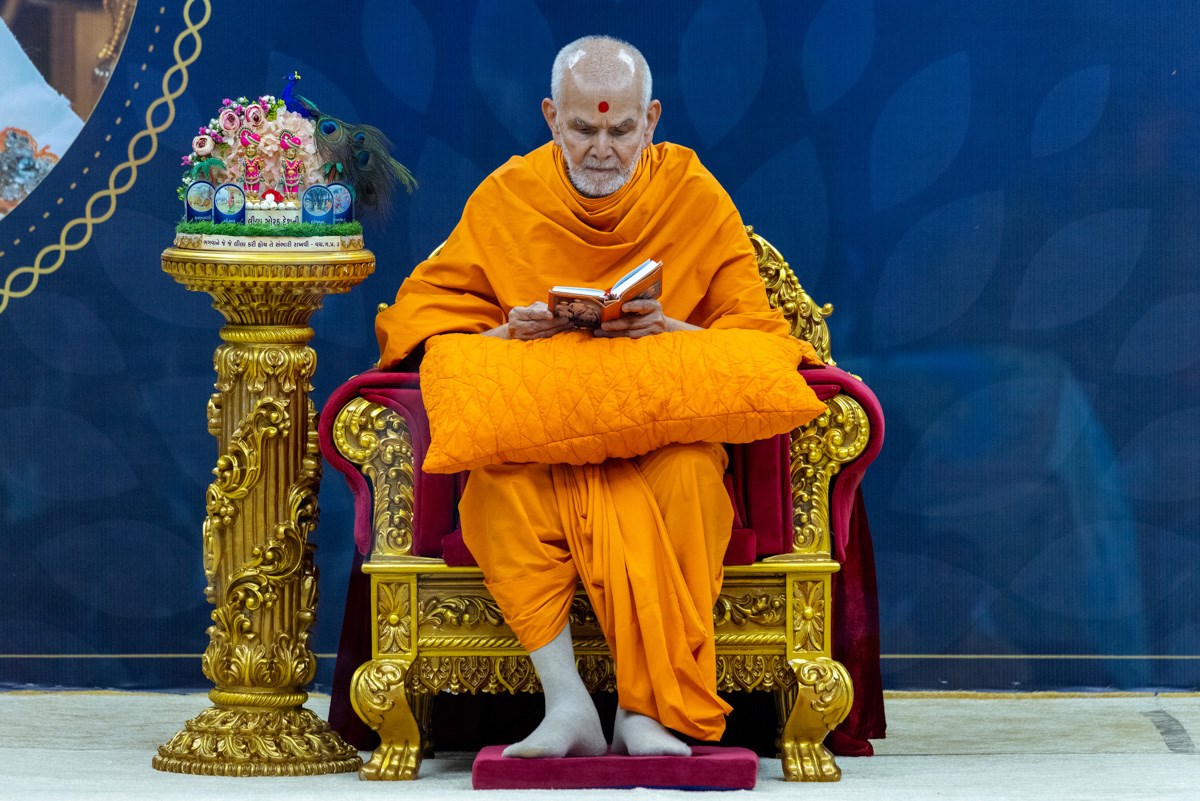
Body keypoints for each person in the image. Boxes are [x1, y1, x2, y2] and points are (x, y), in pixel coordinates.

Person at [375, 35, 796, 758]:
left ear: (651, 120)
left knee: (693, 481)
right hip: (543, 437)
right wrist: (508, 330)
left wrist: (667, 327)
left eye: (621, 130)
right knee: (496, 491)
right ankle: (567, 703)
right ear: (550, 117)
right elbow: (422, 319)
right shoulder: (510, 196)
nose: (602, 149)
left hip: (660, 434)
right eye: (582, 129)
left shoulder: (692, 196)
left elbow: (757, 337)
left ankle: (643, 710)